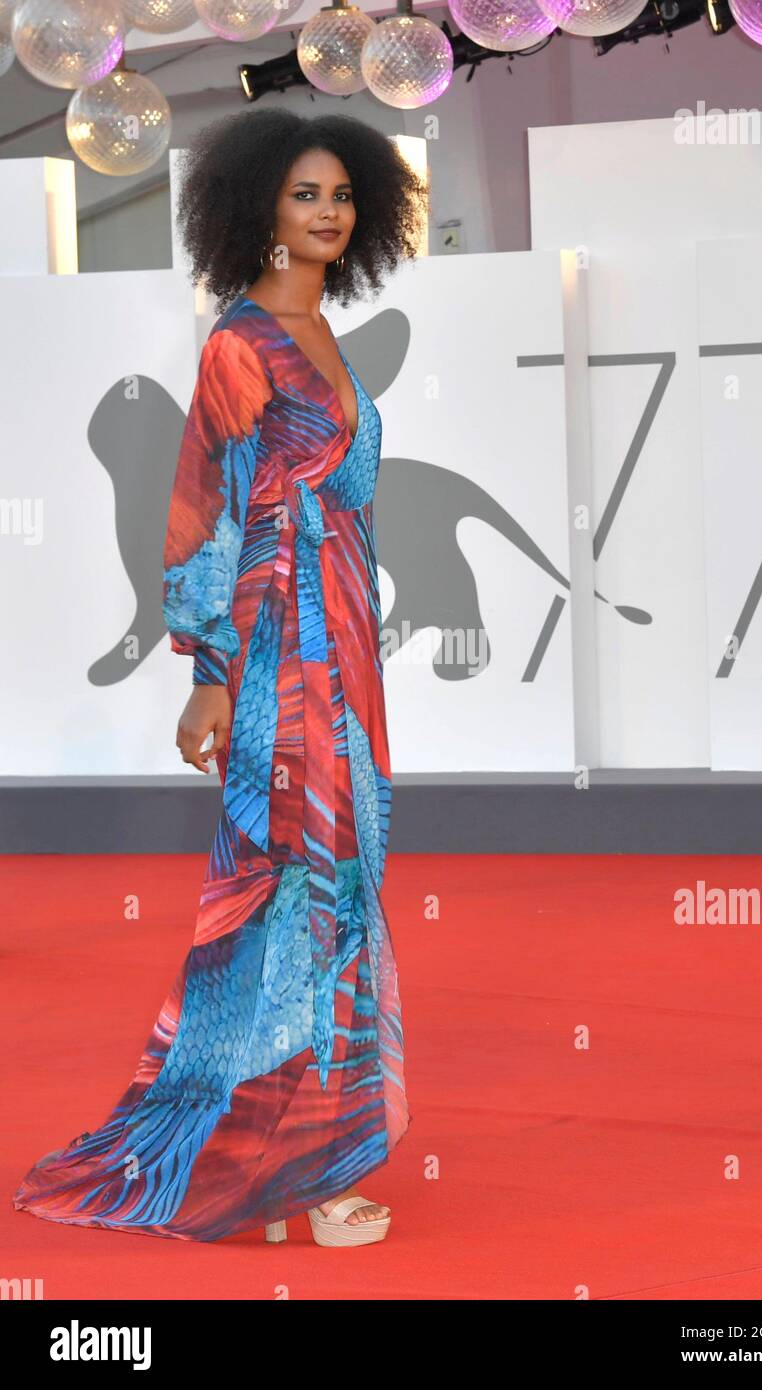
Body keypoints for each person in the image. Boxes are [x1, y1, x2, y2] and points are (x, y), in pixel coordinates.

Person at [13, 108, 427, 1246]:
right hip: (272, 659)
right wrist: (206, 670)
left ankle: (296, 1154)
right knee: (287, 888)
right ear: (257, 206)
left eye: (341, 194)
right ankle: (296, 1166)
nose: (327, 211)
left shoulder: (332, 338)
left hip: (344, 647)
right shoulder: (238, 345)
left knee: (342, 883)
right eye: (304, 193)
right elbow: (204, 513)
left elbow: (343, 505)